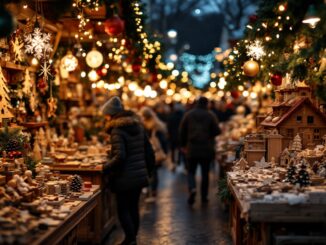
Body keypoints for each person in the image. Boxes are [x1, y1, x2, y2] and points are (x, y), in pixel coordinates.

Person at [102, 97, 155, 245]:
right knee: (133, 207)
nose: (105, 118)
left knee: (123, 208)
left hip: (124, 177)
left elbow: (120, 156)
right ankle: (132, 238)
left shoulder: (117, 130)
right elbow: (149, 151)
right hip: (138, 175)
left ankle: (130, 239)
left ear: (112, 115)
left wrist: (104, 168)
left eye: (106, 115)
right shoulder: (138, 126)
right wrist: (148, 171)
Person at [179, 96, 221, 205]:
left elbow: (182, 130)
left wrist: (183, 145)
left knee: (191, 172)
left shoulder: (188, 114)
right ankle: (204, 196)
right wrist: (209, 136)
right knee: (205, 173)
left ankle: (192, 188)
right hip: (206, 148)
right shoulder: (210, 115)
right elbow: (217, 130)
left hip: (192, 148)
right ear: (207, 104)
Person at [140, 106, 168, 197]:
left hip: (148, 151)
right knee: (154, 172)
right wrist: (165, 151)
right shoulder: (157, 124)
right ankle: (153, 190)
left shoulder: (144, 126)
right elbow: (163, 140)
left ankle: (149, 190)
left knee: (149, 172)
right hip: (155, 151)